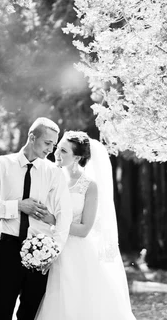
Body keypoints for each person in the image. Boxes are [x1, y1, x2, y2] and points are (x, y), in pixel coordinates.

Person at [0, 117, 73, 320]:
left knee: (29, 316)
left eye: (54, 145)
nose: (50, 149)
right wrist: (18, 206)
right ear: (31, 137)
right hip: (8, 249)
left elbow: (65, 216)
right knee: (0, 313)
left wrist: (54, 252)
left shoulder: (54, 173)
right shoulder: (2, 164)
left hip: (41, 252)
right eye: (47, 143)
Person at [35, 131, 136, 320]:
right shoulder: (51, 177)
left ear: (77, 157)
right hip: (50, 247)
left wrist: (54, 221)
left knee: (77, 302)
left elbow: (84, 229)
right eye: (58, 148)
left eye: (64, 151)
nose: (57, 154)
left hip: (76, 252)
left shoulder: (89, 186)